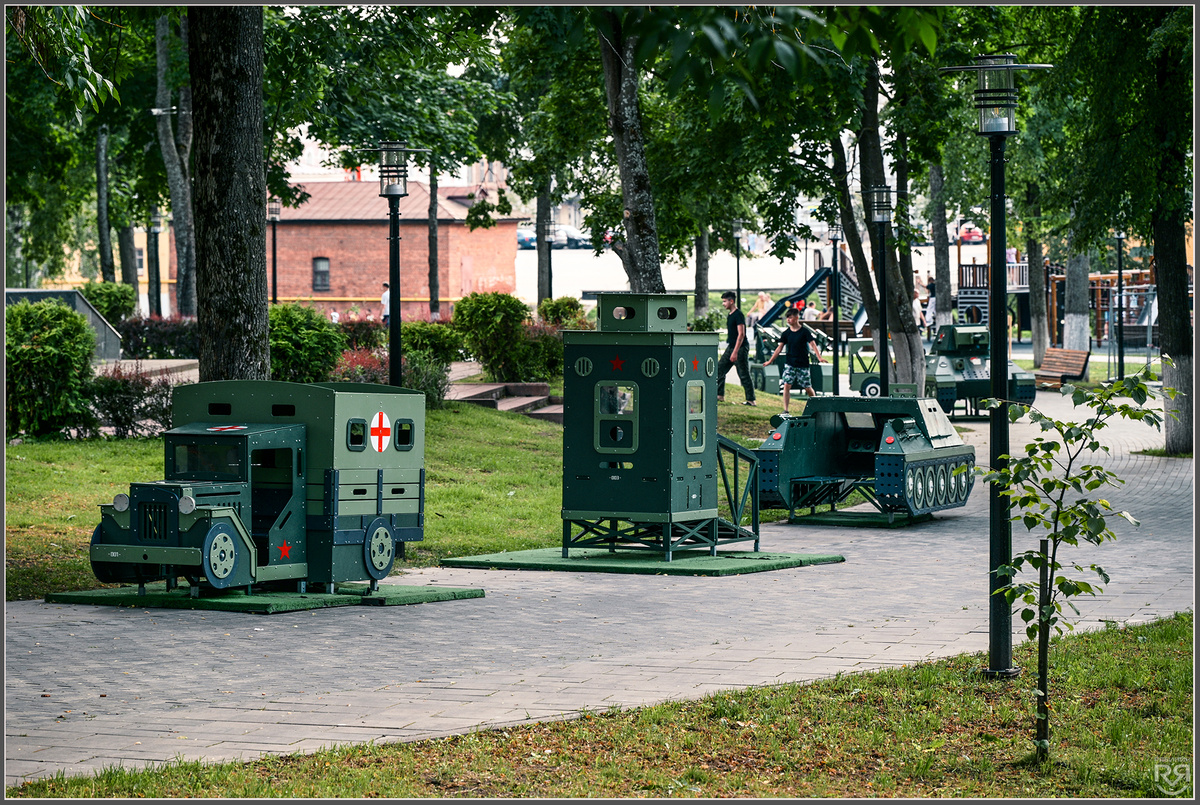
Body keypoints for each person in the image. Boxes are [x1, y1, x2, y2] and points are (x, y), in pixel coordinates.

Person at [764, 306, 823, 414]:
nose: (788, 320)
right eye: (787, 318)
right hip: (790, 364)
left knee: (808, 387)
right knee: (786, 385)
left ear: (796, 318)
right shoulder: (786, 333)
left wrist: (819, 357)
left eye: (790, 317)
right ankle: (786, 410)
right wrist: (770, 360)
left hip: (803, 364)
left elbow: (813, 345)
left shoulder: (804, 332)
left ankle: (817, 406)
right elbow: (779, 348)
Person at [716, 291, 756, 406]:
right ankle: (720, 396)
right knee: (719, 369)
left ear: (731, 301)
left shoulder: (738, 315)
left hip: (740, 348)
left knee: (743, 374)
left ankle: (751, 400)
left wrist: (735, 352)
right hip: (731, 346)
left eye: (725, 301)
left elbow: (741, 334)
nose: (723, 304)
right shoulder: (730, 315)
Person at [924, 274, 937, 338]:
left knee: (929, 309)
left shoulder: (931, 285)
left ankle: (928, 320)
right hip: (936, 298)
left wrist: (920, 283)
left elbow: (926, 287)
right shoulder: (935, 285)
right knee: (934, 309)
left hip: (932, 298)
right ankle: (935, 316)